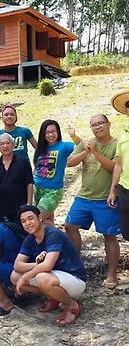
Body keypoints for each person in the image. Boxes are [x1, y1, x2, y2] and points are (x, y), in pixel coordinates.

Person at [66, 114, 119, 289]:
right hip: (84, 197)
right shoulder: (86, 143)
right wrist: (86, 151)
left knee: (109, 235)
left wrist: (95, 152)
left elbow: (113, 167)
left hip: (105, 198)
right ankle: (75, 265)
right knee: (70, 225)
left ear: (108, 124)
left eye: (100, 123)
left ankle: (112, 274)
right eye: (93, 125)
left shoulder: (116, 145)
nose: (97, 127)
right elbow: (70, 163)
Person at [11, 205, 87, 327]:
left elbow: (47, 265)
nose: (28, 223)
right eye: (23, 221)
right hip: (55, 277)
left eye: (31, 218)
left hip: (74, 279)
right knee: (15, 276)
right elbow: (17, 265)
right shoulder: (30, 239)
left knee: (41, 277)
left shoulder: (53, 234)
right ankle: (53, 297)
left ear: (40, 218)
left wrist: (25, 277)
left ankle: (72, 305)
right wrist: (36, 265)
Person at [33, 120, 75, 225]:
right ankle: (53, 240)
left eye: (53, 131)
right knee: (47, 221)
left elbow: (82, 145)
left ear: (58, 132)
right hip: (36, 188)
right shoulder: (40, 148)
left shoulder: (64, 146)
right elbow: (36, 167)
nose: (51, 135)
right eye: (47, 132)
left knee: (36, 220)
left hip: (53, 191)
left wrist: (74, 136)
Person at [0, 133, 34, 223]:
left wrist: (29, 204)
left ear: (13, 145)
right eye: (2, 144)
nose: (5, 146)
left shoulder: (23, 163)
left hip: (21, 206)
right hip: (2, 207)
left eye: (8, 143)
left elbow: (29, 183)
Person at [109, 90, 129, 244]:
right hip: (125, 190)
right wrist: (112, 191)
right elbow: (118, 164)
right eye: (128, 105)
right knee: (127, 232)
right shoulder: (122, 134)